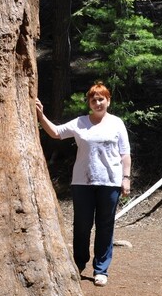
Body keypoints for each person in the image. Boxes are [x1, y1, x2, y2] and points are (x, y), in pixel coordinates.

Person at [35, 82, 131, 287]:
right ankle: (78, 264)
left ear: (108, 100)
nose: (97, 103)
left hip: (110, 182)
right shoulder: (80, 122)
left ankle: (101, 269)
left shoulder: (117, 123)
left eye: (101, 99)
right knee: (82, 225)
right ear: (89, 102)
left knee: (105, 226)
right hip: (82, 182)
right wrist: (41, 116)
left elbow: (125, 153)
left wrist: (126, 178)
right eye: (93, 100)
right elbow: (56, 132)